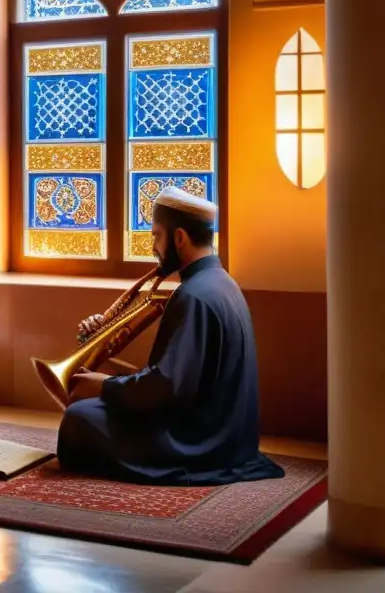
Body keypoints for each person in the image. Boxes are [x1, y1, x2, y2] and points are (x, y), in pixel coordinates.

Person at [57, 186, 285, 486]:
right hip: (228, 436)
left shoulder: (194, 296)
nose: (154, 247)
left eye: (156, 236)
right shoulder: (222, 283)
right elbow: (182, 381)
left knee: (80, 418)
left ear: (179, 237)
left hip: (200, 442)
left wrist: (106, 387)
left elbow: (167, 388)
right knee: (90, 411)